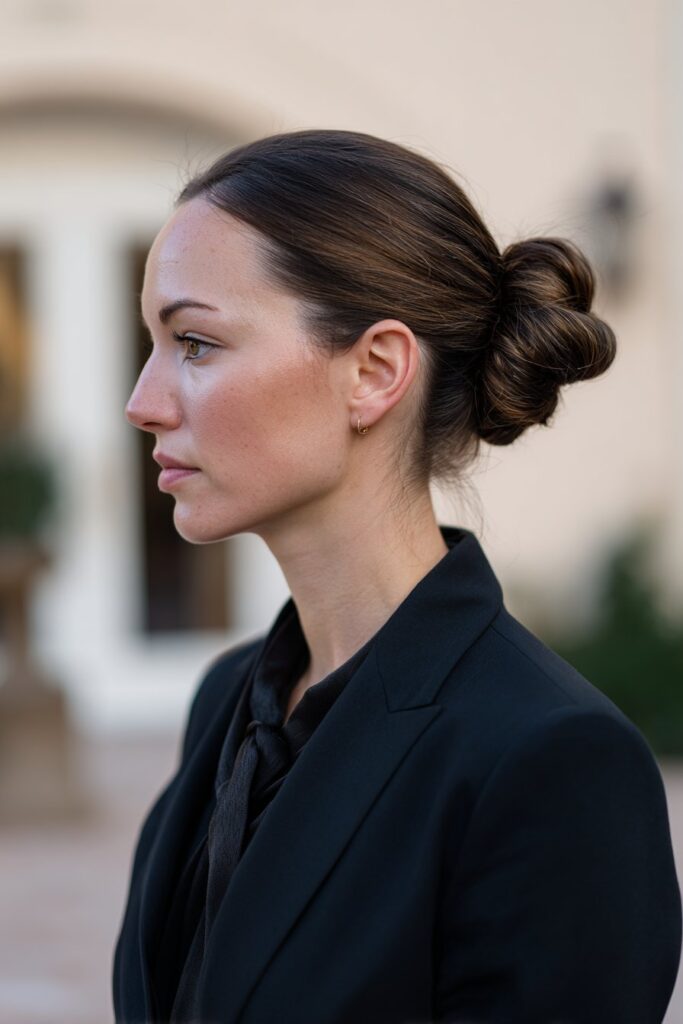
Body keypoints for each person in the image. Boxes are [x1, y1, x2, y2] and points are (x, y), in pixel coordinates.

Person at [112, 128, 682, 1024]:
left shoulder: (549, 761)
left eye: (194, 343)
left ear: (374, 372)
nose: (143, 402)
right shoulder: (227, 703)